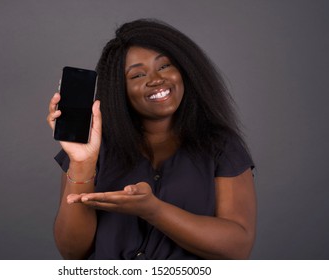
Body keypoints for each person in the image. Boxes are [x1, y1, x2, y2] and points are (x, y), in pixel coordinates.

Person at [47, 18, 256, 260]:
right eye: (137, 75)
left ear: (185, 70)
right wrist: (82, 163)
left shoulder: (222, 146)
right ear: (120, 89)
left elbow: (237, 248)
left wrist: (154, 210)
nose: (156, 79)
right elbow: (72, 252)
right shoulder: (93, 145)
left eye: (165, 66)